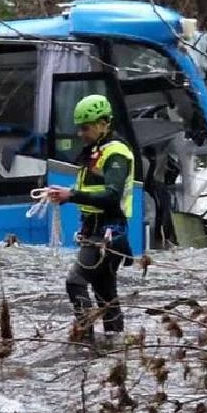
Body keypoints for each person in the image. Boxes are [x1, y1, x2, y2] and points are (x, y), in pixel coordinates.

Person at [46, 94, 136, 345]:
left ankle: (84, 339)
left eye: (85, 127)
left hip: (110, 232)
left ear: (103, 123)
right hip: (95, 229)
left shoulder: (116, 153)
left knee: (75, 282)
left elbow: (112, 195)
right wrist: (63, 193)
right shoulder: (96, 150)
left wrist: (71, 195)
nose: (80, 133)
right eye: (79, 128)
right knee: (105, 294)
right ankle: (113, 346)